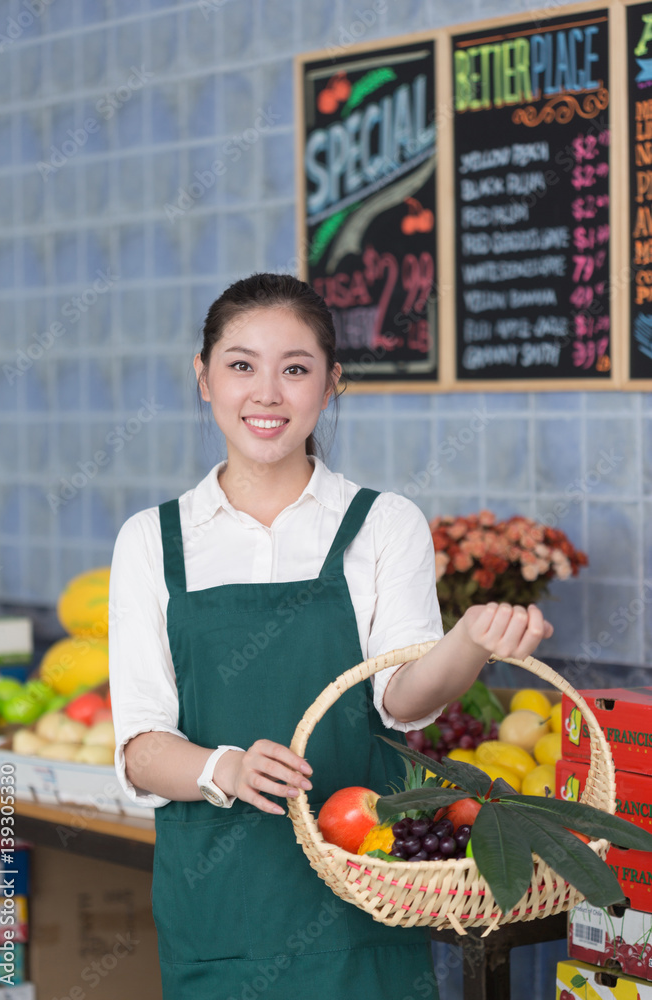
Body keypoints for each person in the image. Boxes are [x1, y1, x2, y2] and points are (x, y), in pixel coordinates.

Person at [109, 272, 553, 1000]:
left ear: (330, 383)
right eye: (241, 365)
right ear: (204, 378)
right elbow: (140, 748)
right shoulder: (151, 541)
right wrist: (225, 767)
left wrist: (469, 640)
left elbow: (404, 700)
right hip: (221, 905)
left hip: (361, 894)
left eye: (295, 369)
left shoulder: (383, 524)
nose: (266, 393)